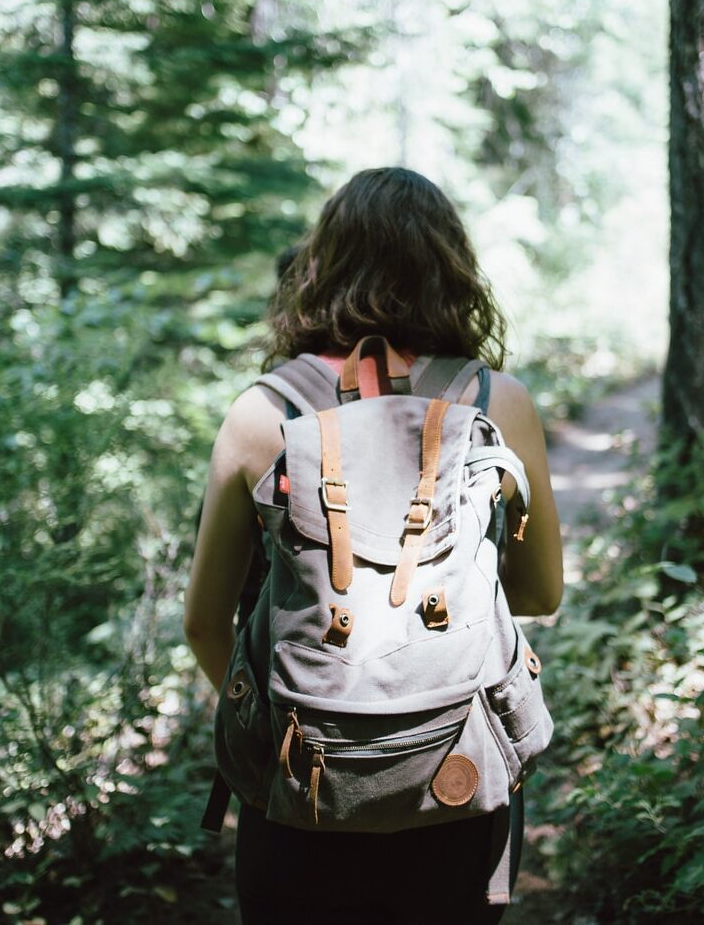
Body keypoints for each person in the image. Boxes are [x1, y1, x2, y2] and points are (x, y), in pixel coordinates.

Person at [184, 167, 563, 923]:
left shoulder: (263, 414)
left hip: (299, 789)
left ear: (322, 266)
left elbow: (205, 620)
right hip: (456, 776)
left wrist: (283, 715)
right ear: (450, 269)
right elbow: (539, 594)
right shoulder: (497, 401)